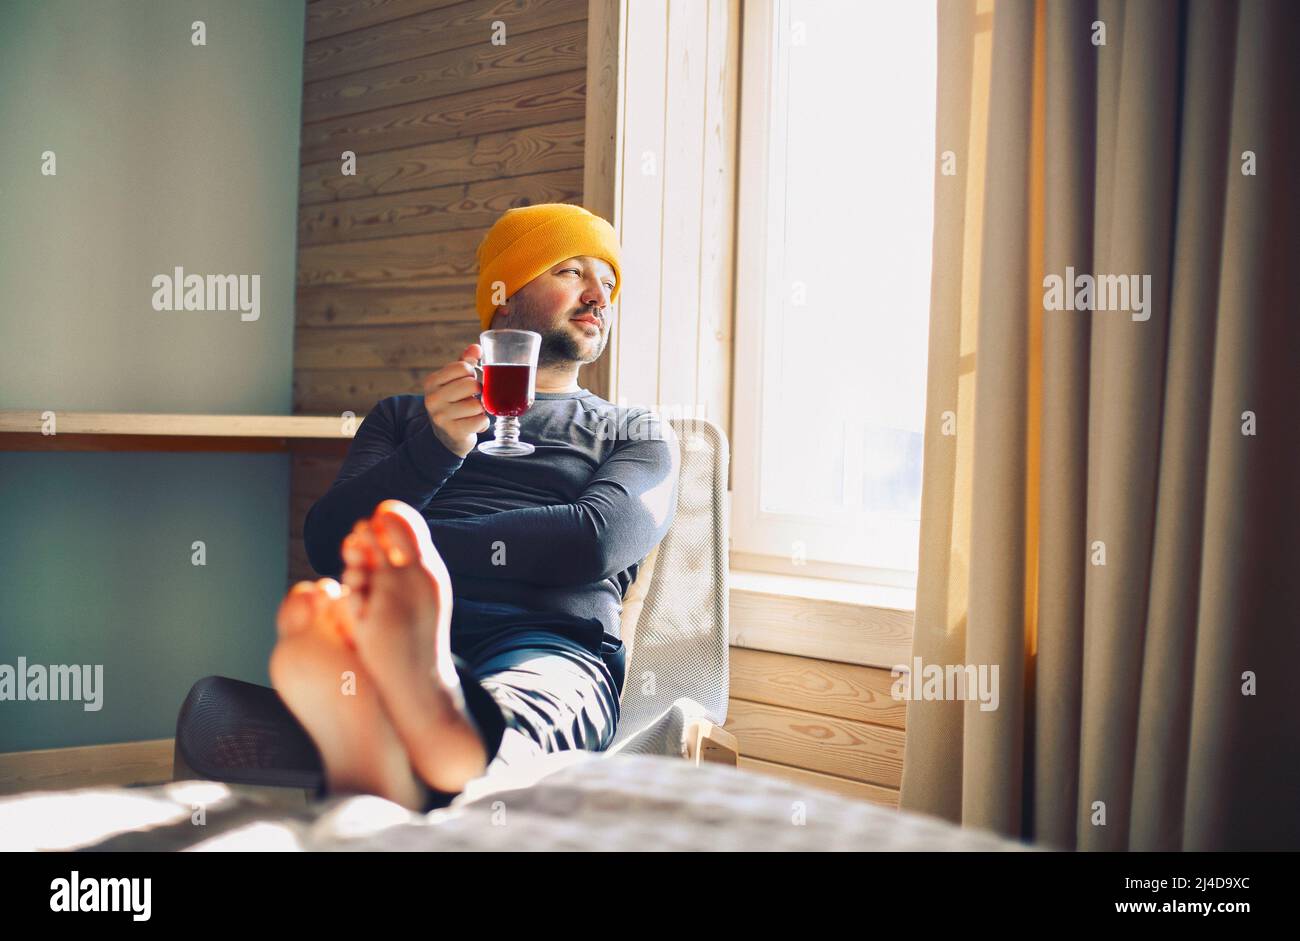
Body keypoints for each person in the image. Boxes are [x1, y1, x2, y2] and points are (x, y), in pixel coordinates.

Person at [269, 203, 680, 813]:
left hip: (545, 642)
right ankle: (424, 729)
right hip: (393, 632)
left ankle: (423, 731)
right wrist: (437, 447)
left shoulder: (636, 430)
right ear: (503, 297)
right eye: (570, 271)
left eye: (610, 282)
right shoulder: (405, 417)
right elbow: (330, 543)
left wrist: (415, 550)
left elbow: (591, 543)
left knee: (527, 703)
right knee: (372, 673)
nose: (599, 295)